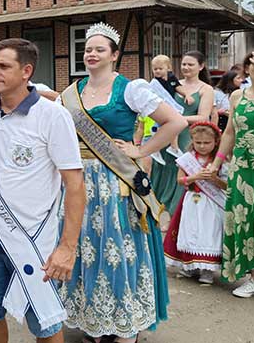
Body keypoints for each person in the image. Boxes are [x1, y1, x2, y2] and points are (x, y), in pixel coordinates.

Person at [57, 22, 187, 343]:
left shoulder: (130, 89)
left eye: (100, 49)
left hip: (116, 182)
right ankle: (96, 320)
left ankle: (123, 325)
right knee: (86, 248)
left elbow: (176, 122)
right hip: (78, 182)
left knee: (116, 249)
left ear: (114, 55)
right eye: (88, 49)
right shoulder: (73, 93)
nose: (92, 54)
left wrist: (140, 149)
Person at [0, 38, 87, 343]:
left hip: (34, 238)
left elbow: (75, 184)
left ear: (26, 70)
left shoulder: (53, 115)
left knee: (45, 319)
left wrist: (67, 247)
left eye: (4, 66)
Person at [210, 47, 254, 301]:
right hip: (242, 168)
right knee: (245, 219)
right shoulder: (237, 96)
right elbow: (231, 133)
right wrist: (217, 162)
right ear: (246, 68)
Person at [163, 122, 227, 284]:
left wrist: (214, 179)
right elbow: (180, 180)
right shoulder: (188, 159)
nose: (202, 146)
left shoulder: (220, 162)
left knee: (209, 232)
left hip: (211, 204)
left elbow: (227, 185)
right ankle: (190, 265)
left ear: (216, 142)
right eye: (198, 143)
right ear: (192, 141)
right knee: (190, 230)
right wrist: (195, 177)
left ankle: (207, 270)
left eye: (207, 143)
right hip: (192, 200)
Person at [151, 51, 215, 214]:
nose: (186, 67)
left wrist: (179, 118)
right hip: (168, 133)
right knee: (162, 167)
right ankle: (158, 208)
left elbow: (203, 116)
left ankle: (176, 213)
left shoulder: (206, 89)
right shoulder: (174, 84)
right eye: (184, 64)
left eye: (190, 64)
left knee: (180, 169)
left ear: (201, 66)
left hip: (188, 135)